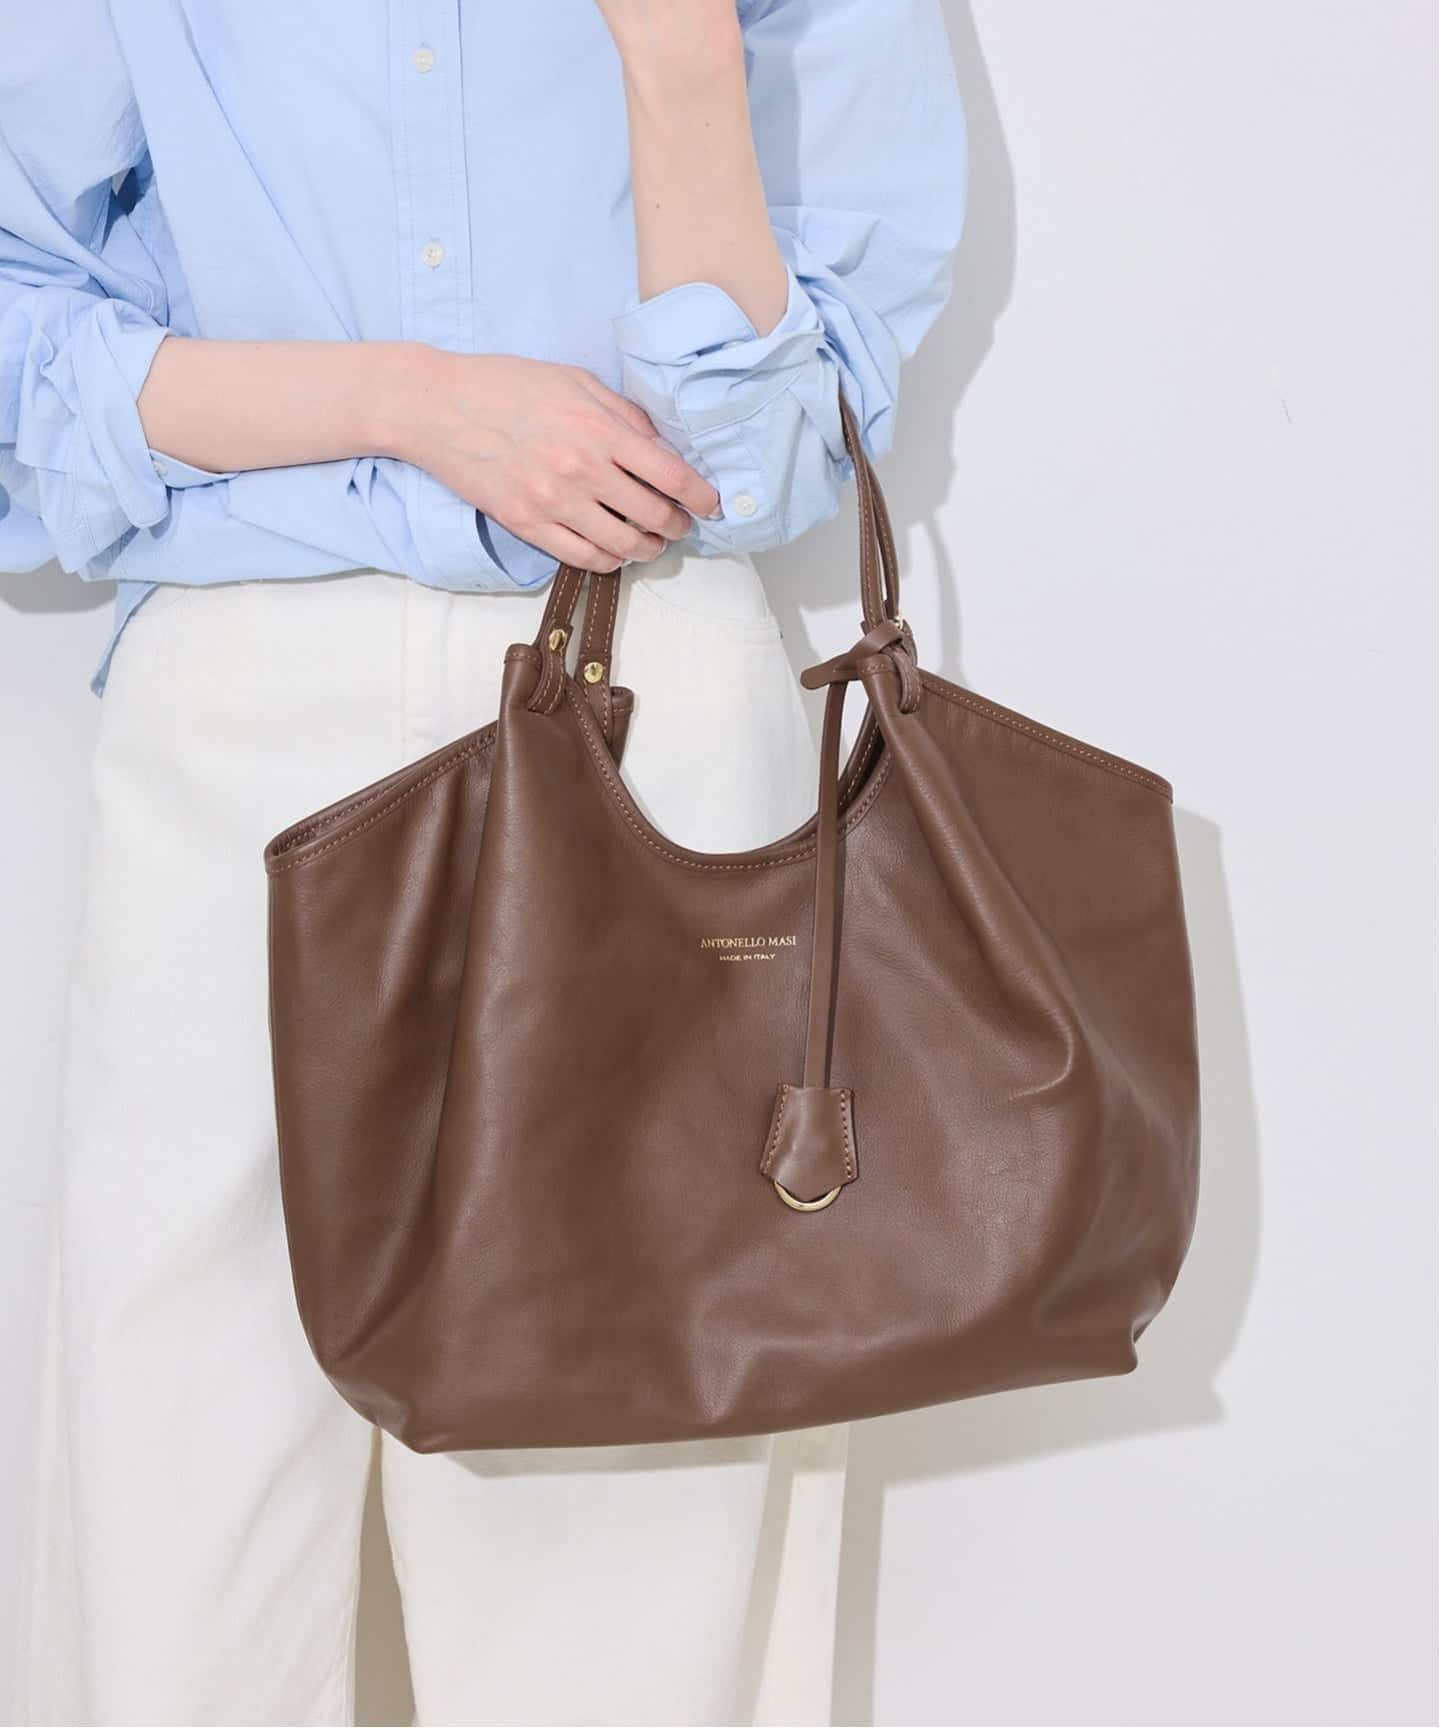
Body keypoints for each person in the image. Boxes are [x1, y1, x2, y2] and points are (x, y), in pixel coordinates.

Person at [1, 2, 966, 1721]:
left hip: (658, 704)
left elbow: (769, 460)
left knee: (626, 1569)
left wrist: (676, 57)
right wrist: (408, 402)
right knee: (180, 1527)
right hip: (242, 733)